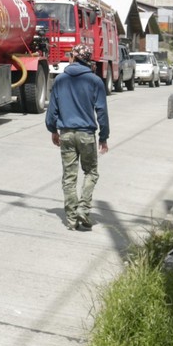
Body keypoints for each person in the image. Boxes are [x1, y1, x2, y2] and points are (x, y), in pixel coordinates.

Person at [45, 43, 109, 231]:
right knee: (91, 172)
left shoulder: (60, 80)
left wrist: (53, 130)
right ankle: (83, 207)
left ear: (73, 57)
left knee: (69, 176)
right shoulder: (95, 81)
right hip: (87, 134)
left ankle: (71, 218)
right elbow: (102, 112)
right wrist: (104, 137)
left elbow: (52, 110)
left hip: (66, 134)